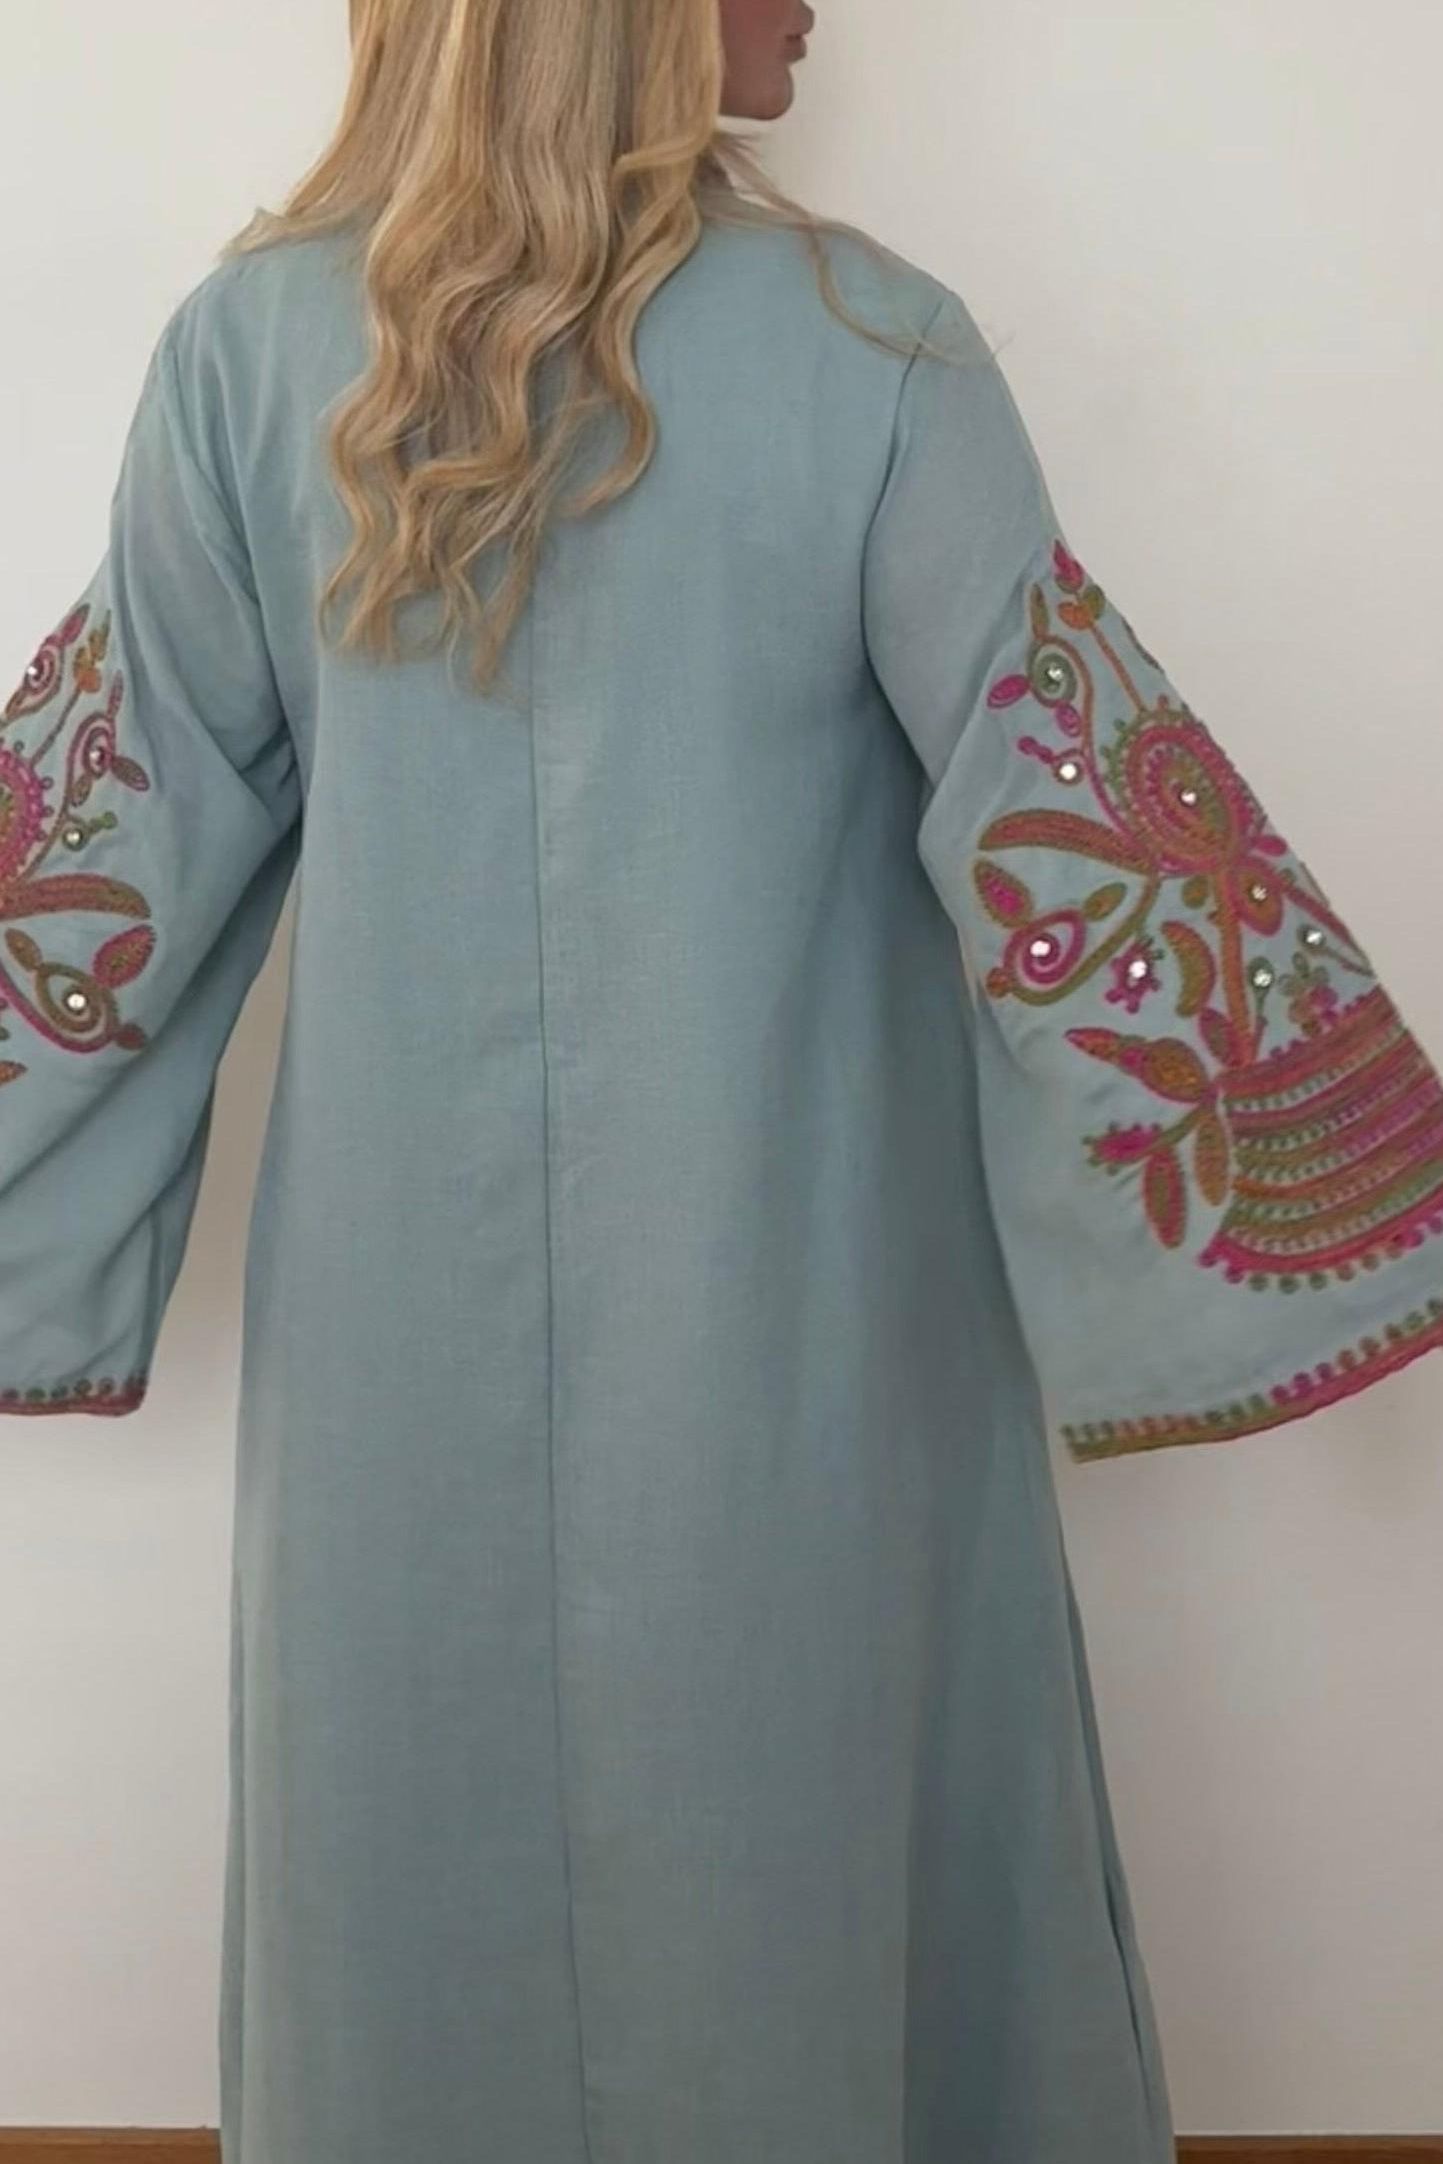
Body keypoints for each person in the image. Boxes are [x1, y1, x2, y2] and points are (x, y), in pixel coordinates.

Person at [5, 2, 1441, 2159]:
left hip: (400, 1382)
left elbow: (98, 859)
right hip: (802, 1338)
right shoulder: (875, 352)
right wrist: (1327, 1176)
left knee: (413, 1881)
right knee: (817, 1856)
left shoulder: (256, 355)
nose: (809, 6)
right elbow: (1071, 813)